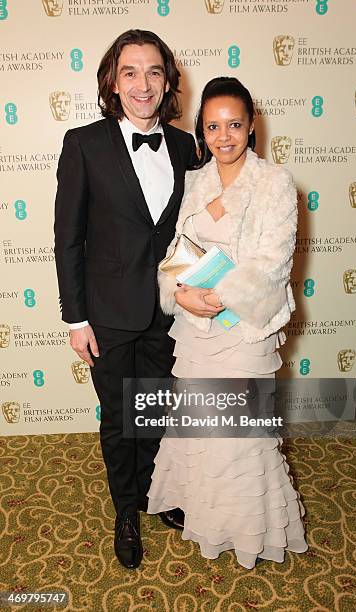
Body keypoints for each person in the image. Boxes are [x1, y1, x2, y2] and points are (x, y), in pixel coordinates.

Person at [147, 77, 308, 569]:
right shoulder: (196, 180)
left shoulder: (275, 182)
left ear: (251, 125)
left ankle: (247, 530)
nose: (224, 136)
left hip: (245, 328)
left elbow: (273, 263)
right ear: (201, 130)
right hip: (196, 329)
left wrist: (216, 297)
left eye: (234, 124)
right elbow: (178, 251)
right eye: (213, 126)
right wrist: (179, 293)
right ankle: (203, 512)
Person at [54, 29, 197, 569]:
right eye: (131, 72)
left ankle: (153, 496)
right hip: (108, 314)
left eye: (154, 71)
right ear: (113, 81)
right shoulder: (84, 144)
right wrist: (77, 319)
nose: (143, 83)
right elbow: (68, 238)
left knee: (157, 410)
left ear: (167, 82)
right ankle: (125, 512)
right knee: (119, 418)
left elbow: (193, 232)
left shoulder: (186, 146)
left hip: (169, 311)